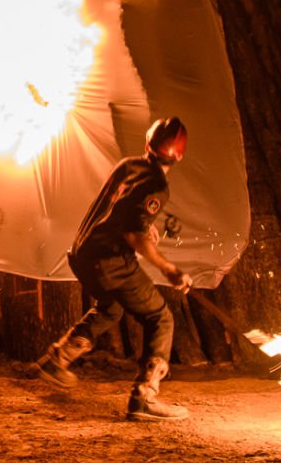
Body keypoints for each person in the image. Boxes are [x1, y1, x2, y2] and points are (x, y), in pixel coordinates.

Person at [34, 117, 192, 421]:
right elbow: (133, 235)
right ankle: (145, 397)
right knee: (160, 317)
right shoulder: (158, 185)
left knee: (111, 308)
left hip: (82, 253)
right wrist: (169, 269)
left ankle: (58, 359)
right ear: (179, 156)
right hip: (111, 260)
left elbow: (121, 214)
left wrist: (147, 230)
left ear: (148, 143)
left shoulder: (128, 165)